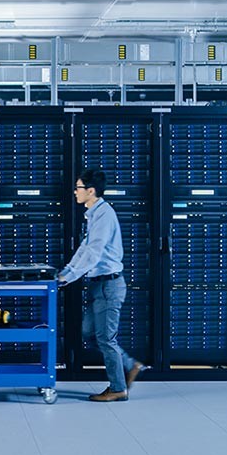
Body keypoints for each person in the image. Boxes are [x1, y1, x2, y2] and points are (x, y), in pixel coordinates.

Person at [57, 168, 143, 402]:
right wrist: (65, 272)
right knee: (89, 332)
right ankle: (129, 365)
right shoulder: (94, 215)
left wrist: (70, 276)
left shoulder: (104, 215)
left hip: (109, 285)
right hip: (98, 285)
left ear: (91, 191)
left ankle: (118, 388)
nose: (75, 192)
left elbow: (94, 253)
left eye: (78, 188)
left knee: (106, 338)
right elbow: (84, 249)